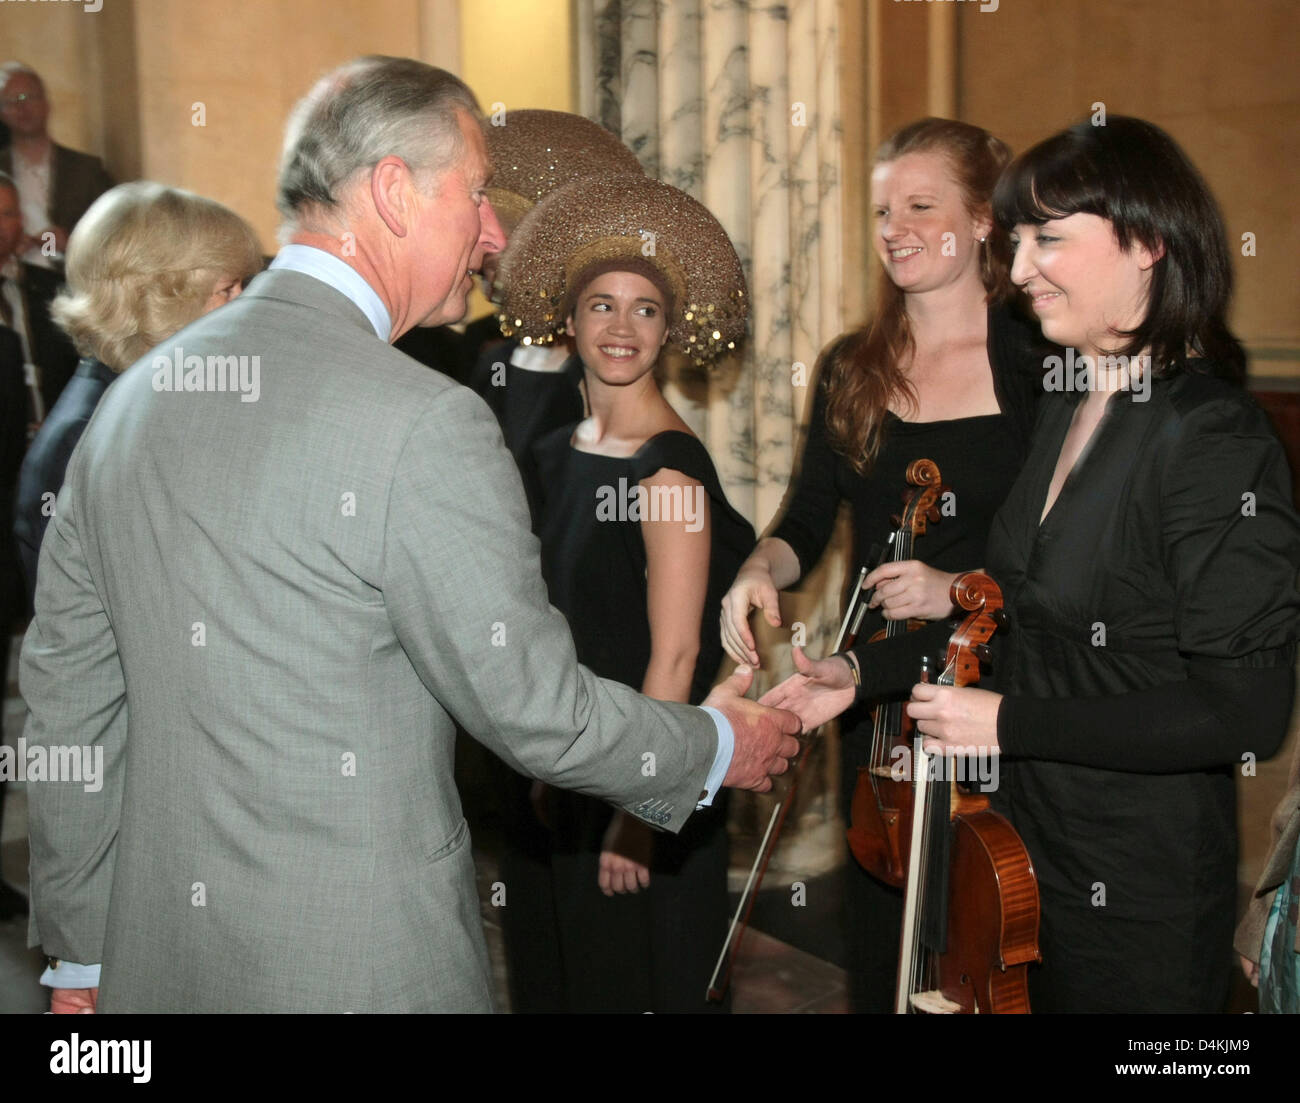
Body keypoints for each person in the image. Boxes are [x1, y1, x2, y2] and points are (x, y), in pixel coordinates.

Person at [19, 55, 800, 1014]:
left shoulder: (134, 399)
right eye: (475, 195)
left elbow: (68, 705)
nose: (495, 232)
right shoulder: (426, 420)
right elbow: (535, 709)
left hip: (156, 958)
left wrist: (80, 959)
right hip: (361, 962)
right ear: (393, 191)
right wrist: (717, 745)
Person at [765, 116, 1300, 1013]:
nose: (1016, 270)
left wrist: (1007, 725)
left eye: (1048, 238)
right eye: (1015, 240)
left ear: (1147, 244)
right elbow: (1010, 623)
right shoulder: (1067, 403)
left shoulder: (1211, 438)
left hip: (1139, 884)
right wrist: (860, 674)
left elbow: (1243, 711)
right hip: (1020, 852)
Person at [719, 118, 1043, 1012]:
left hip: (993, 680)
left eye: (920, 205)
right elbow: (809, 521)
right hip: (872, 699)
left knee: (985, 933)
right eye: (881, 210)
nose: (894, 226)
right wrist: (758, 568)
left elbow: (1065, 555)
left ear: (983, 219)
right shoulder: (850, 367)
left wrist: (956, 590)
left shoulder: (1034, 361)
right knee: (882, 935)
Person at [493, 171, 752, 1012]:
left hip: (643, 777)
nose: (621, 326)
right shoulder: (560, 444)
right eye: (601, 304)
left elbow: (675, 655)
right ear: (567, 322)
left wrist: (640, 811)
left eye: (645, 308)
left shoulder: (669, 466)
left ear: (670, 328)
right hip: (579, 759)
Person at [15, 181, 262, 598]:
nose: (244, 306)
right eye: (227, 290)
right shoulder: (91, 437)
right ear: (159, 300)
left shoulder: (132, 404)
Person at [0, 63, 113, 410]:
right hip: (12, 296)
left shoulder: (87, 169)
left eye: (30, 96)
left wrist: (75, 240)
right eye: (11, 100)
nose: (23, 106)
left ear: (46, 102)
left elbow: (119, 237)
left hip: (74, 295)